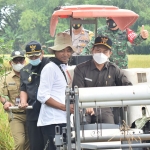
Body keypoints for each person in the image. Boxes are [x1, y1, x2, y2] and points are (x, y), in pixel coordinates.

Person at [72, 36, 132, 124]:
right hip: (84, 106)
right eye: (98, 50)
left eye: (105, 52)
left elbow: (128, 87)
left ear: (110, 53)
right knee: (82, 126)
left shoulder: (114, 69)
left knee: (109, 128)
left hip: (105, 107)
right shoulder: (80, 69)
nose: (101, 54)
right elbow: (77, 90)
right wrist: (86, 104)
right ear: (92, 50)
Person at [37, 33, 74, 150]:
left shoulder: (67, 68)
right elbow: (42, 96)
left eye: (68, 50)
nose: (65, 54)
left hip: (64, 119)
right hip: (52, 120)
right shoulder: (49, 68)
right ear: (55, 51)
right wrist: (64, 107)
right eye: (61, 50)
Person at [19, 41, 51, 150]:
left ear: (42, 53)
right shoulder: (25, 70)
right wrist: (23, 101)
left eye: (36, 55)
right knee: (35, 145)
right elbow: (23, 88)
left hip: (49, 111)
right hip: (33, 112)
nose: (33, 58)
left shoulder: (50, 65)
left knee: (50, 143)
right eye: (31, 56)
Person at [81, 18, 149, 69]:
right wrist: (80, 59)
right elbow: (90, 45)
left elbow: (134, 40)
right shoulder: (101, 31)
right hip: (106, 68)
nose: (110, 21)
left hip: (121, 68)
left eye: (113, 18)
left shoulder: (125, 30)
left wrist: (142, 36)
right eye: (108, 18)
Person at [0, 50, 29, 150]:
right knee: (20, 142)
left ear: (25, 61)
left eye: (21, 60)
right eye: (16, 61)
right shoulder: (5, 78)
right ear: (11, 62)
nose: (18, 63)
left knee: (29, 144)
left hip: (30, 113)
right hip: (16, 115)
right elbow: (1, 94)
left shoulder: (30, 75)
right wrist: (5, 102)